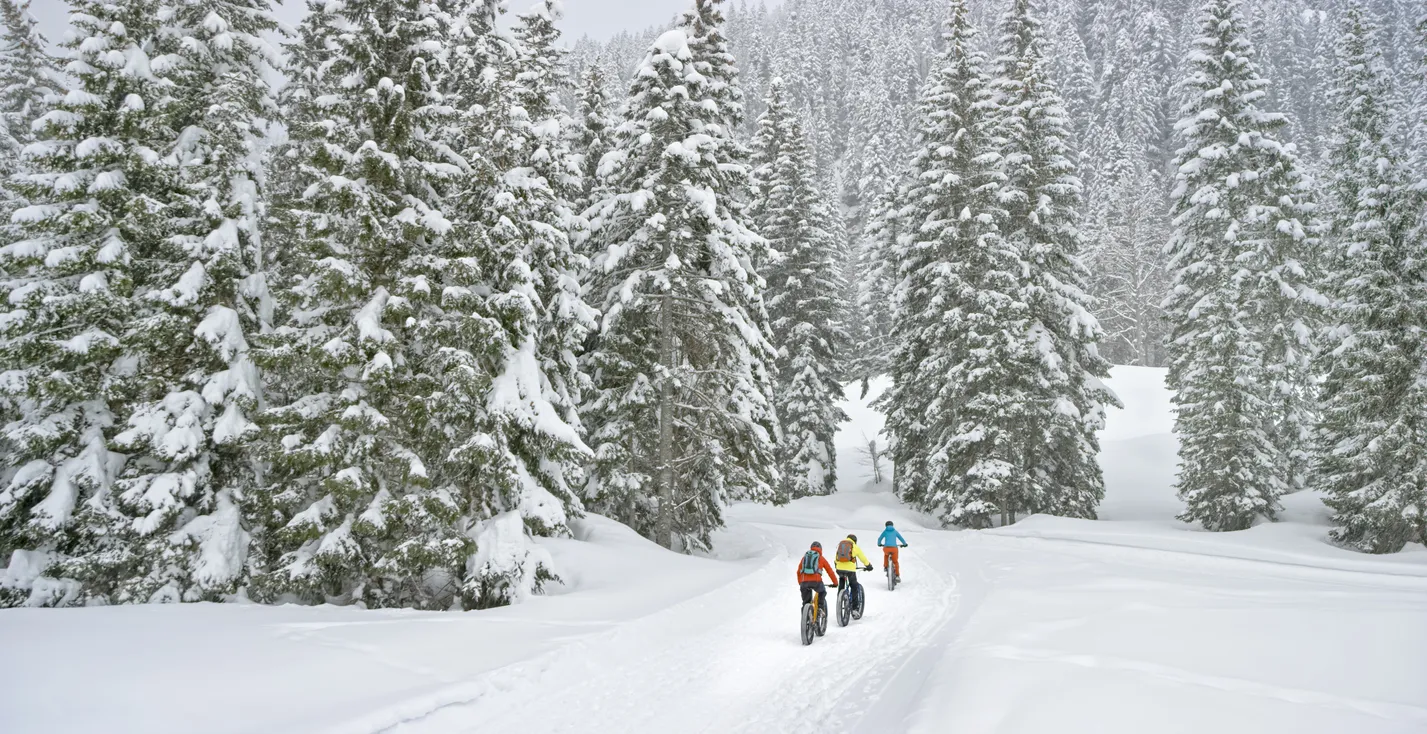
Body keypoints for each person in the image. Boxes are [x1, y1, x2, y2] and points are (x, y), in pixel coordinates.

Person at [796, 541, 839, 618]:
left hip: (804, 583)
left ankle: (805, 619)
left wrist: (800, 582)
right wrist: (835, 583)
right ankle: (820, 607)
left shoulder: (804, 557)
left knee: (805, 602)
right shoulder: (821, 558)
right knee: (822, 592)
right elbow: (830, 571)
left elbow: (798, 571)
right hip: (816, 582)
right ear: (820, 549)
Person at [833, 534, 874, 612]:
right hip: (850, 570)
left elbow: (836, 557)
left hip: (839, 569)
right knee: (854, 586)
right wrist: (868, 566)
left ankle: (839, 600)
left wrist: (837, 565)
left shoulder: (841, 545)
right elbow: (862, 557)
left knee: (842, 581)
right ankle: (855, 609)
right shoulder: (854, 546)